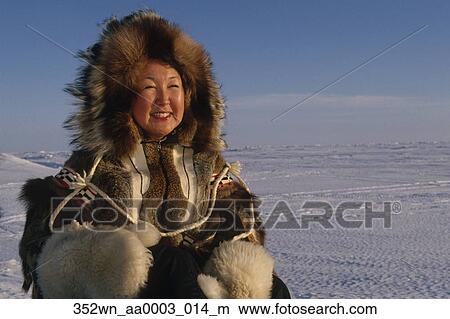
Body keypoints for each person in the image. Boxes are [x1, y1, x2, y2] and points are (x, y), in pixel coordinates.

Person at [19, 10, 290, 299]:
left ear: (189, 95)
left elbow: (243, 237)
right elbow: (41, 252)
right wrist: (136, 262)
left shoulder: (209, 166)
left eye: (174, 86)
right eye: (149, 87)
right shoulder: (91, 167)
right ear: (122, 96)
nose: (164, 99)